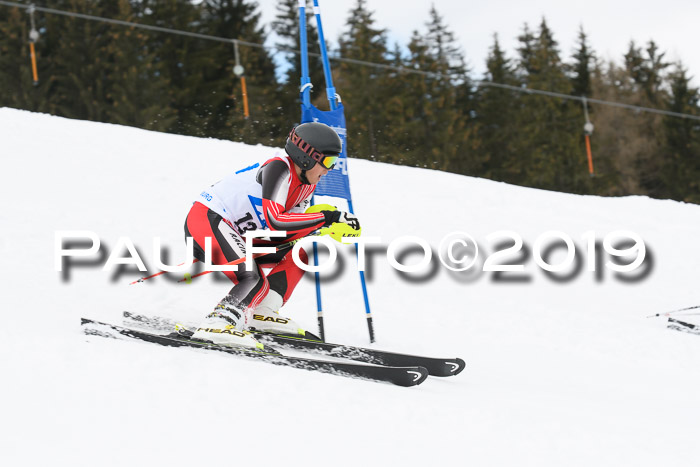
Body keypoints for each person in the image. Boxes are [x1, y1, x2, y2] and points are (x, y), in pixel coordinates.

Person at [184, 122, 361, 349]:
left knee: (303, 249)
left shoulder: (307, 184)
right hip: (207, 220)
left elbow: (286, 232)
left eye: (334, 163)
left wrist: (321, 228)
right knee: (252, 277)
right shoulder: (279, 169)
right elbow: (275, 220)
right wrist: (326, 218)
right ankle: (218, 322)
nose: (329, 169)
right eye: (327, 161)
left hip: (237, 232)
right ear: (306, 157)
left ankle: (262, 311)